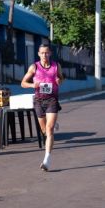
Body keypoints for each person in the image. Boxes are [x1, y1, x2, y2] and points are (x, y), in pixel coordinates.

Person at [21, 44, 64, 172]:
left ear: (50, 53)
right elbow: (23, 83)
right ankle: (54, 124)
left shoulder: (56, 66)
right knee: (44, 130)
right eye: (42, 53)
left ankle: (47, 160)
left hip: (52, 99)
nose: (44, 55)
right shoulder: (34, 67)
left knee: (49, 130)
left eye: (46, 53)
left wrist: (58, 80)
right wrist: (33, 85)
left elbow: (61, 78)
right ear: (38, 54)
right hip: (39, 100)